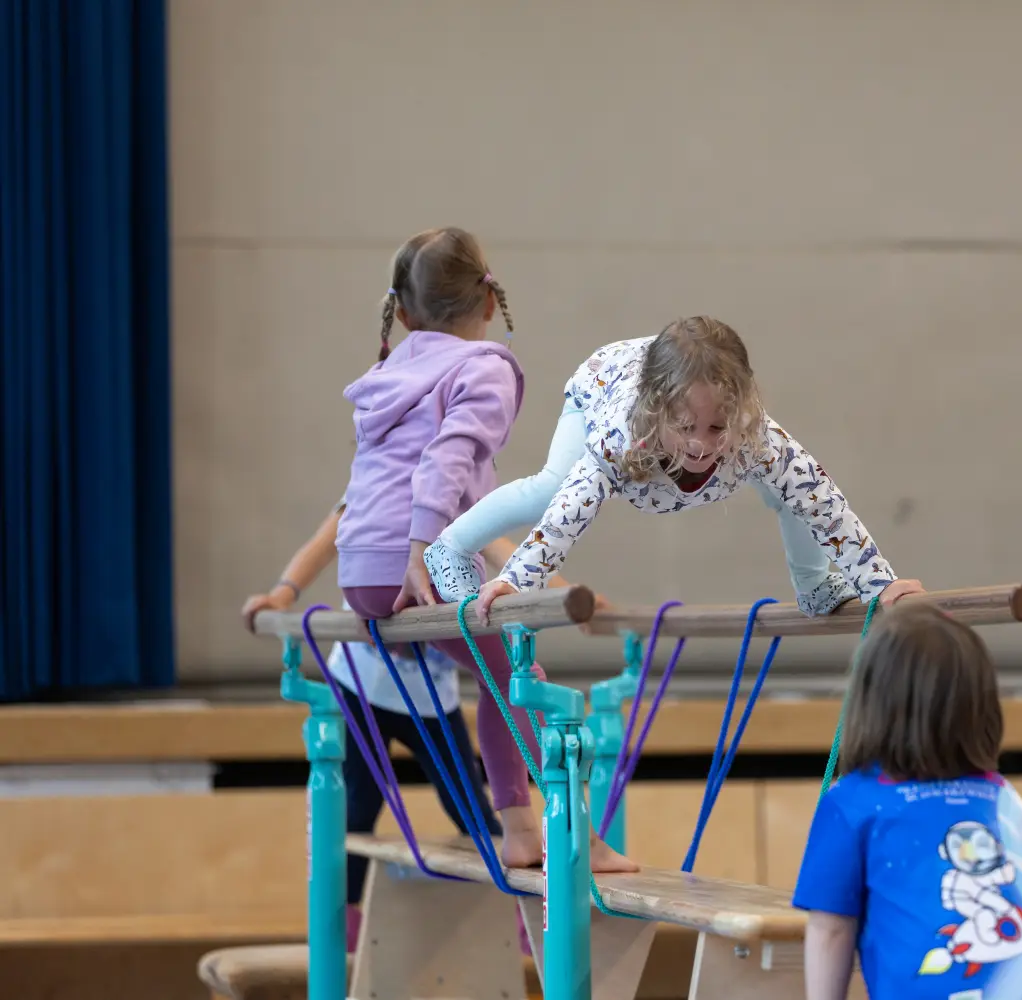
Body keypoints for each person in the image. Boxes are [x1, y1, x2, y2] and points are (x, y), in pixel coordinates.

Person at [335, 225, 634, 873]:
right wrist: (419, 550)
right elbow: (449, 459)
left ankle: (522, 828)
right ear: (491, 302)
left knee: (503, 675)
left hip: (359, 567)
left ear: (406, 312)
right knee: (521, 681)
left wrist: (379, 568)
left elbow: (378, 480)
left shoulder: (390, 373)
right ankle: (564, 832)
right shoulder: (484, 367)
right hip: (415, 558)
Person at [421, 316, 924, 619]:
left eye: (715, 427)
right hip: (600, 388)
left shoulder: (754, 436)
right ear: (660, 413)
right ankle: (449, 547)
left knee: (792, 489)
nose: (702, 445)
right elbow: (564, 519)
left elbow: (826, 508)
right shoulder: (621, 439)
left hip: (660, 377)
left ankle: (815, 586)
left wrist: (880, 587)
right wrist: (517, 582)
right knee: (552, 488)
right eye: (686, 427)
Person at [791, 604, 1022, 1000]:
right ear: (980, 710)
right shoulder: (1003, 799)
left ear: (869, 705)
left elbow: (830, 931)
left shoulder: (851, 803)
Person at [242, 499, 516, 950]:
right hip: (361, 682)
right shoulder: (368, 489)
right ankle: (342, 930)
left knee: (473, 809)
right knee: (358, 808)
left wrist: (571, 593)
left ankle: (519, 911)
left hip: (430, 697)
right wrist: (282, 595)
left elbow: (505, 548)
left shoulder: (456, 494)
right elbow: (322, 543)